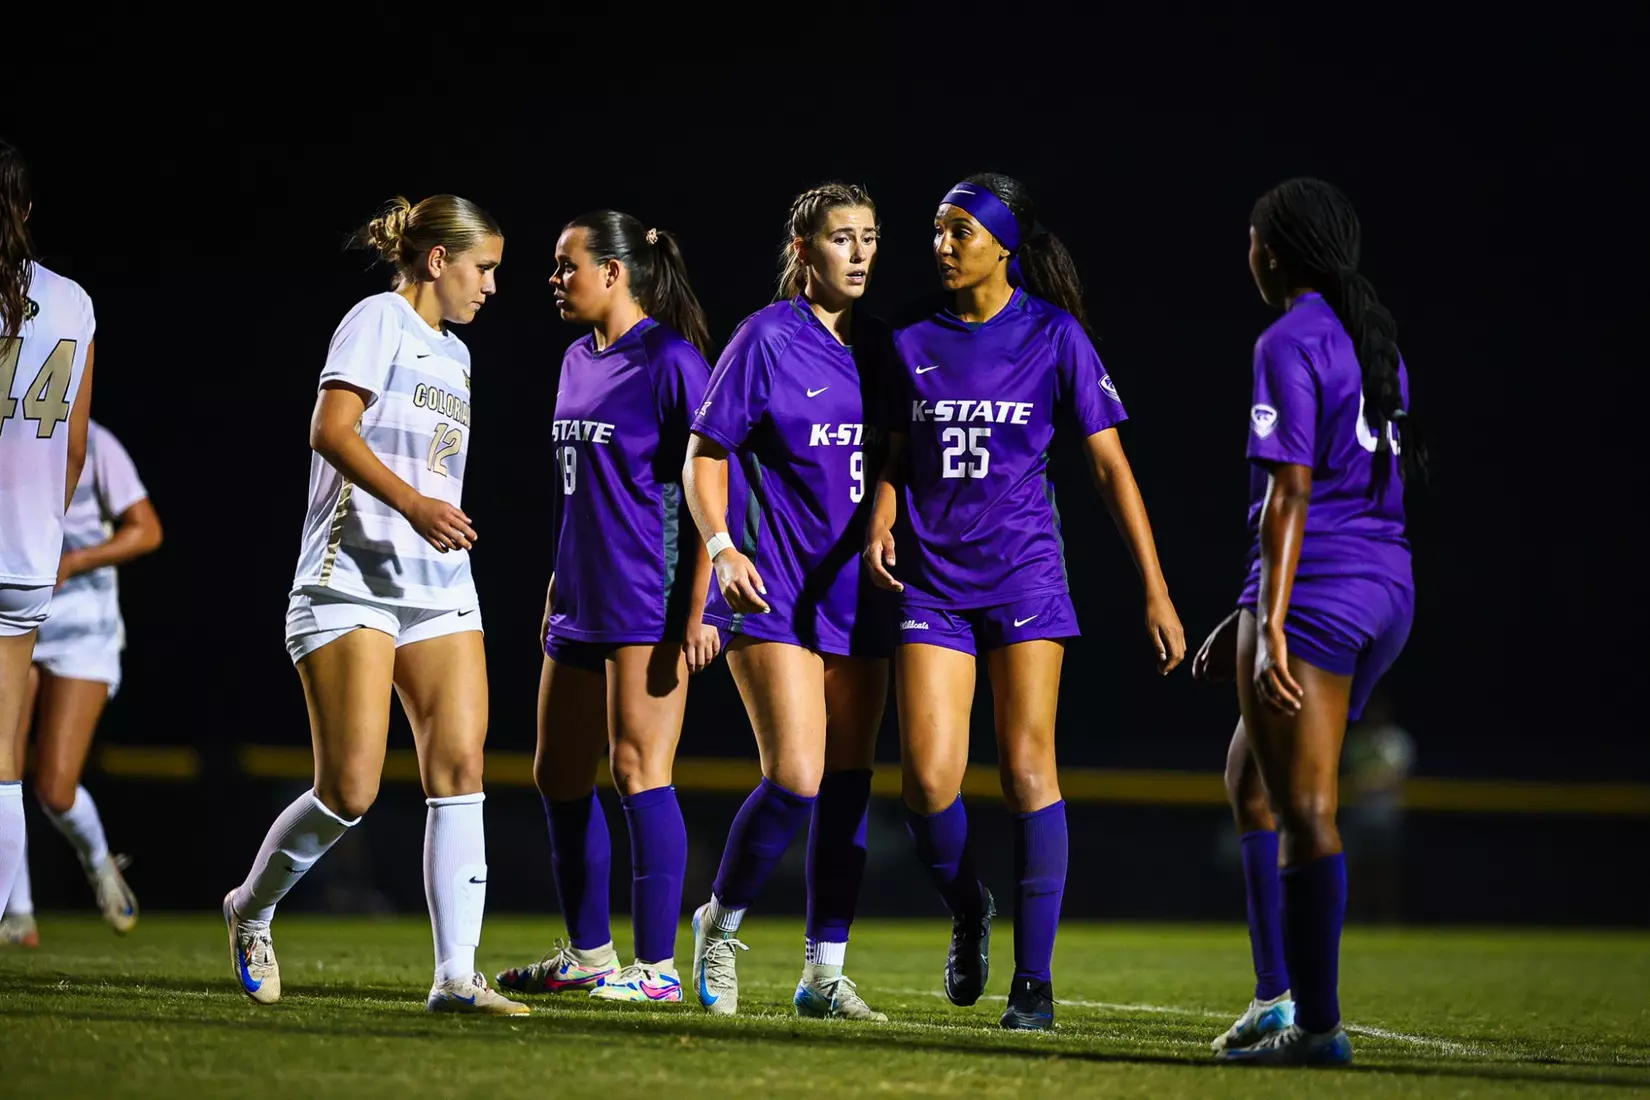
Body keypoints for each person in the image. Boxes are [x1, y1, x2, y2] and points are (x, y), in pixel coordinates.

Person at [863, 173, 1185, 1030]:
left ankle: (1033, 986)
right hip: (933, 578)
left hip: (1025, 579)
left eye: (959, 229)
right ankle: (971, 909)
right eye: (936, 228)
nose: (941, 243)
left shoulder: (1054, 335)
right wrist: (884, 514)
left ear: (1004, 245)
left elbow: (1111, 468)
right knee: (929, 785)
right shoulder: (910, 340)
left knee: (1027, 770)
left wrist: (1155, 590)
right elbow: (895, 456)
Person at [222, 194, 525, 1015]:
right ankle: (252, 909)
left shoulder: (457, 355)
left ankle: (456, 977)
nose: (493, 286)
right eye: (485, 267)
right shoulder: (376, 320)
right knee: (349, 791)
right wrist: (416, 507)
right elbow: (331, 429)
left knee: (460, 770)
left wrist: (433, 518)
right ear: (438, 261)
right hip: (347, 580)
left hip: (438, 591)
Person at [1192, 177, 1418, 1067]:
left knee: (1306, 808)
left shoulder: (1286, 338)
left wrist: (1272, 621)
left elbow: (1291, 495)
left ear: (1274, 251)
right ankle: (1274, 998)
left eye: (1251, 238)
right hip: (1384, 586)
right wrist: (1249, 609)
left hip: (1316, 593)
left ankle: (1317, 1030)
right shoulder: (1377, 344)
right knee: (1250, 781)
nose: (1247, 252)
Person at [682, 182, 894, 1021]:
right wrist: (721, 547)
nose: (861, 253)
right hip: (773, 590)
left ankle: (823, 972)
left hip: (863, 599)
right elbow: (704, 455)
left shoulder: (886, 347)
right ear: (804, 250)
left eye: (871, 237)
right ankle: (719, 924)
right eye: (843, 238)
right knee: (797, 776)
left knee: (847, 785)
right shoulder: (765, 339)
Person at [494, 211, 716, 1006]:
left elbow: (717, 492)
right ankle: (591, 954)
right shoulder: (573, 361)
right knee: (556, 774)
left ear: (615, 272)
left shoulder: (674, 360)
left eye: (567, 265)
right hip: (579, 600)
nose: (555, 279)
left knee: (636, 769)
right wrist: (556, 579)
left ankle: (655, 970)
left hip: (647, 602)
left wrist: (705, 609)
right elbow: (576, 492)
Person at [0, 419, 162, 948]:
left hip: (82, 629)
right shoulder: (10, 430)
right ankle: (18, 913)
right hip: (18, 617)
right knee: (3, 767)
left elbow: (147, 528)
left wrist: (76, 559)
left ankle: (98, 864)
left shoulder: (95, 443)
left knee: (54, 786)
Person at [0, 140, 96, 930]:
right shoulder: (72, 300)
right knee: (4, 760)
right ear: (26, 212)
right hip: (29, 549)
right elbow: (73, 445)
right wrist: (45, 527)